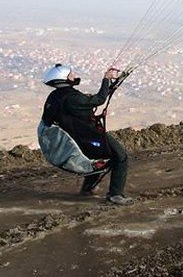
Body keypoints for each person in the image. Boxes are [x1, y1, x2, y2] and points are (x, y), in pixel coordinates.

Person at [41, 64, 131, 204]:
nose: (75, 75)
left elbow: (90, 101)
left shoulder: (56, 96)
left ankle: (87, 189)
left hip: (79, 137)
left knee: (98, 160)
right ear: (63, 79)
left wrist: (110, 84)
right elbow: (98, 100)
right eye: (71, 74)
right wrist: (106, 79)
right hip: (87, 136)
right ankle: (115, 194)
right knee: (120, 157)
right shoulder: (72, 98)